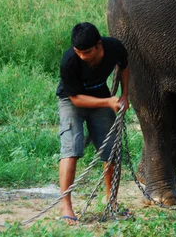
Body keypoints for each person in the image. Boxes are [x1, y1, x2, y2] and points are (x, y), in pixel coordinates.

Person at [56, 22, 130, 225]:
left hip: (101, 98)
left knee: (112, 150)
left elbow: (124, 66)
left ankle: (111, 201)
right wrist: (108, 101)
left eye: (87, 52)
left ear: (99, 45)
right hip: (72, 101)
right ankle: (66, 206)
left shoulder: (114, 47)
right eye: (79, 52)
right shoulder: (69, 61)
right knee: (71, 149)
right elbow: (76, 99)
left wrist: (124, 95)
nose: (82, 56)